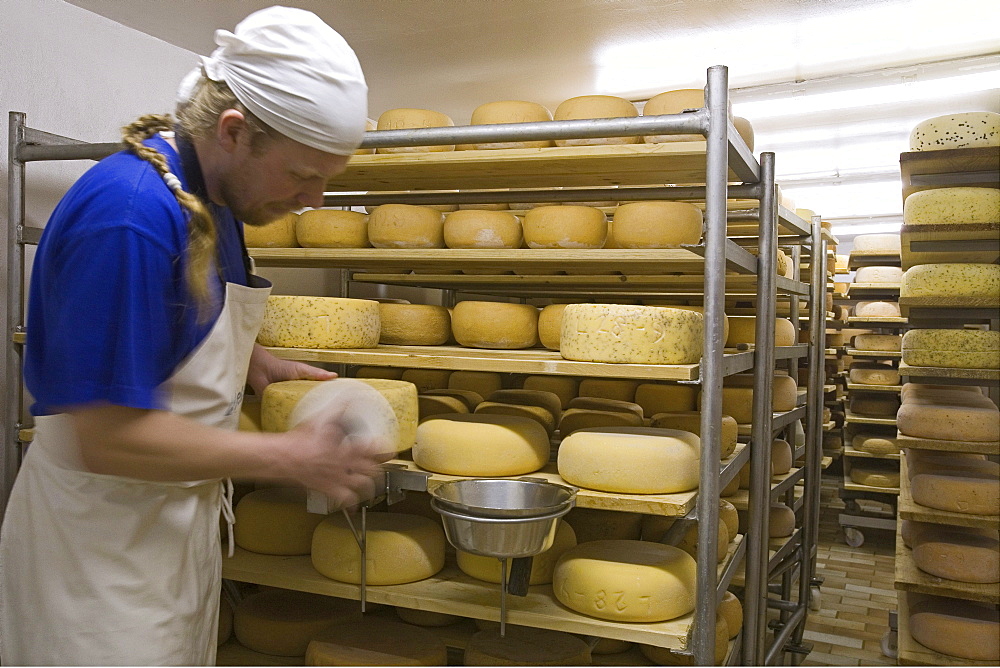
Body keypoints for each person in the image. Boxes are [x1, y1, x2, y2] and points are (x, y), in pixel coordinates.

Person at [0, 7, 387, 665]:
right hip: (98, 557)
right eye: (304, 175)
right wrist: (290, 457)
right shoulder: (131, 219)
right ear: (235, 132)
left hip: (169, 535)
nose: (316, 200)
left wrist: (253, 361)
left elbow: (170, 316)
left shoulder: (213, 202)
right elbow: (107, 436)